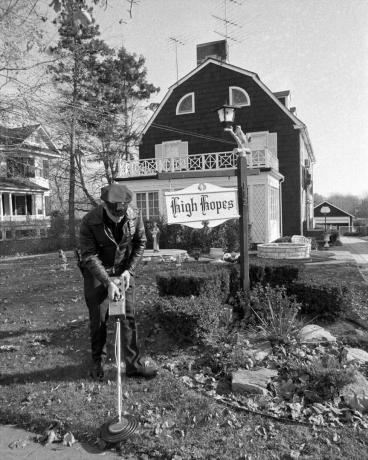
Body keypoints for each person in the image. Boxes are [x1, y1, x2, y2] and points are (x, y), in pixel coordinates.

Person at [79, 183, 157, 381]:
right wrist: (107, 282)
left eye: (122, 215)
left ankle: (133, 364)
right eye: (115, 215)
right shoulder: (89, 221)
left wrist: (129, 271)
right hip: (98, 272)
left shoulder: (133, 215)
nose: (119, 218)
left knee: (128, 315)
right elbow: (88, 255)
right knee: (99, 318)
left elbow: (141, 242)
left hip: (123, 271)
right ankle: (98, 364)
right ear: (105, 207)